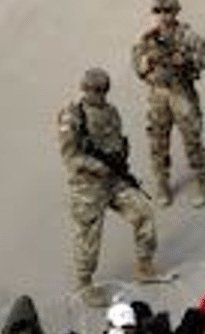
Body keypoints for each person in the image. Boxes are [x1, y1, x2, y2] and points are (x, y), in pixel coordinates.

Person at [57, 68, 162, 306]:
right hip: (88, 187)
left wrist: (119, 163)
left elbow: (116, 142)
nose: (98, 94)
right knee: (89, 237)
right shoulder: (72, 117)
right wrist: (97, 166)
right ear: (84, 89)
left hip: (114, 180)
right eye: (93, 89)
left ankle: (144, 265)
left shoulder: (111, 112)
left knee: (143, 213)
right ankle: (85, 284)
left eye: (103, 90)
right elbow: (70, 157)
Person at [132, 0, 205, 207]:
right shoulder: (147, 36)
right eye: (157, 11)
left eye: (167, 11)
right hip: (158, 95)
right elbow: (136, 63)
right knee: (158, 141)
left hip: (181, 92)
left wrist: (186, 59)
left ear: (176, 12)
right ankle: (162, 182)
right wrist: (147, 65)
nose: (162, 15)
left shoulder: (186, 35)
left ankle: (202, 180)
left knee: (192, 139)